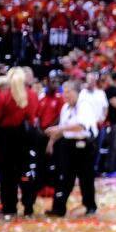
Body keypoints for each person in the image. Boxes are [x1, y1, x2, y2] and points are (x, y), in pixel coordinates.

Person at [46, 81, 101, 218]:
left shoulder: (84, 105)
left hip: (85, 145)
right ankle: (59, 208)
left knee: (86, 177)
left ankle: (90, 206)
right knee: (64, 177)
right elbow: (63, 127)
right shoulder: (65, 108)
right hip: (68, 144)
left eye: (68, 92)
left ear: (76, 92)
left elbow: (81, 126)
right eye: (64, 92)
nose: (65, 95)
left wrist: (59, 129)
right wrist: (51, 141)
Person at [0, 68, 40, 217]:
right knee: (26, 172)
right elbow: (33, 117)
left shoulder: (4, 97)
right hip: (26, 137)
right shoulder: (32, 96)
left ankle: (9, 206)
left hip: (6, 139)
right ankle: (28, 205)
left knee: (7, 175)